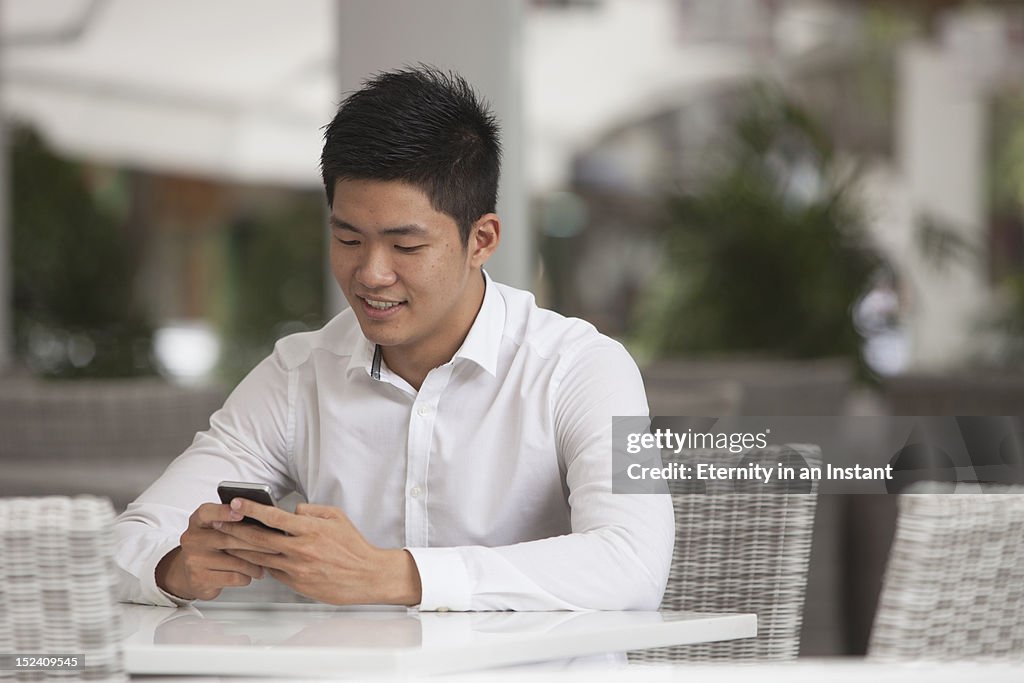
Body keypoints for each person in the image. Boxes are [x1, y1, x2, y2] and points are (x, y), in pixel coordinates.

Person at [114, 66, 674, 611]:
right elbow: (119, 546)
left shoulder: (585, 368)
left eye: (405, 246)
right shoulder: (297, 375)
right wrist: (176, 568)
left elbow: (633, 562)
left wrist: (393, 575)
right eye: (349, 238)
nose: (370, 273)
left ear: (481, 240)